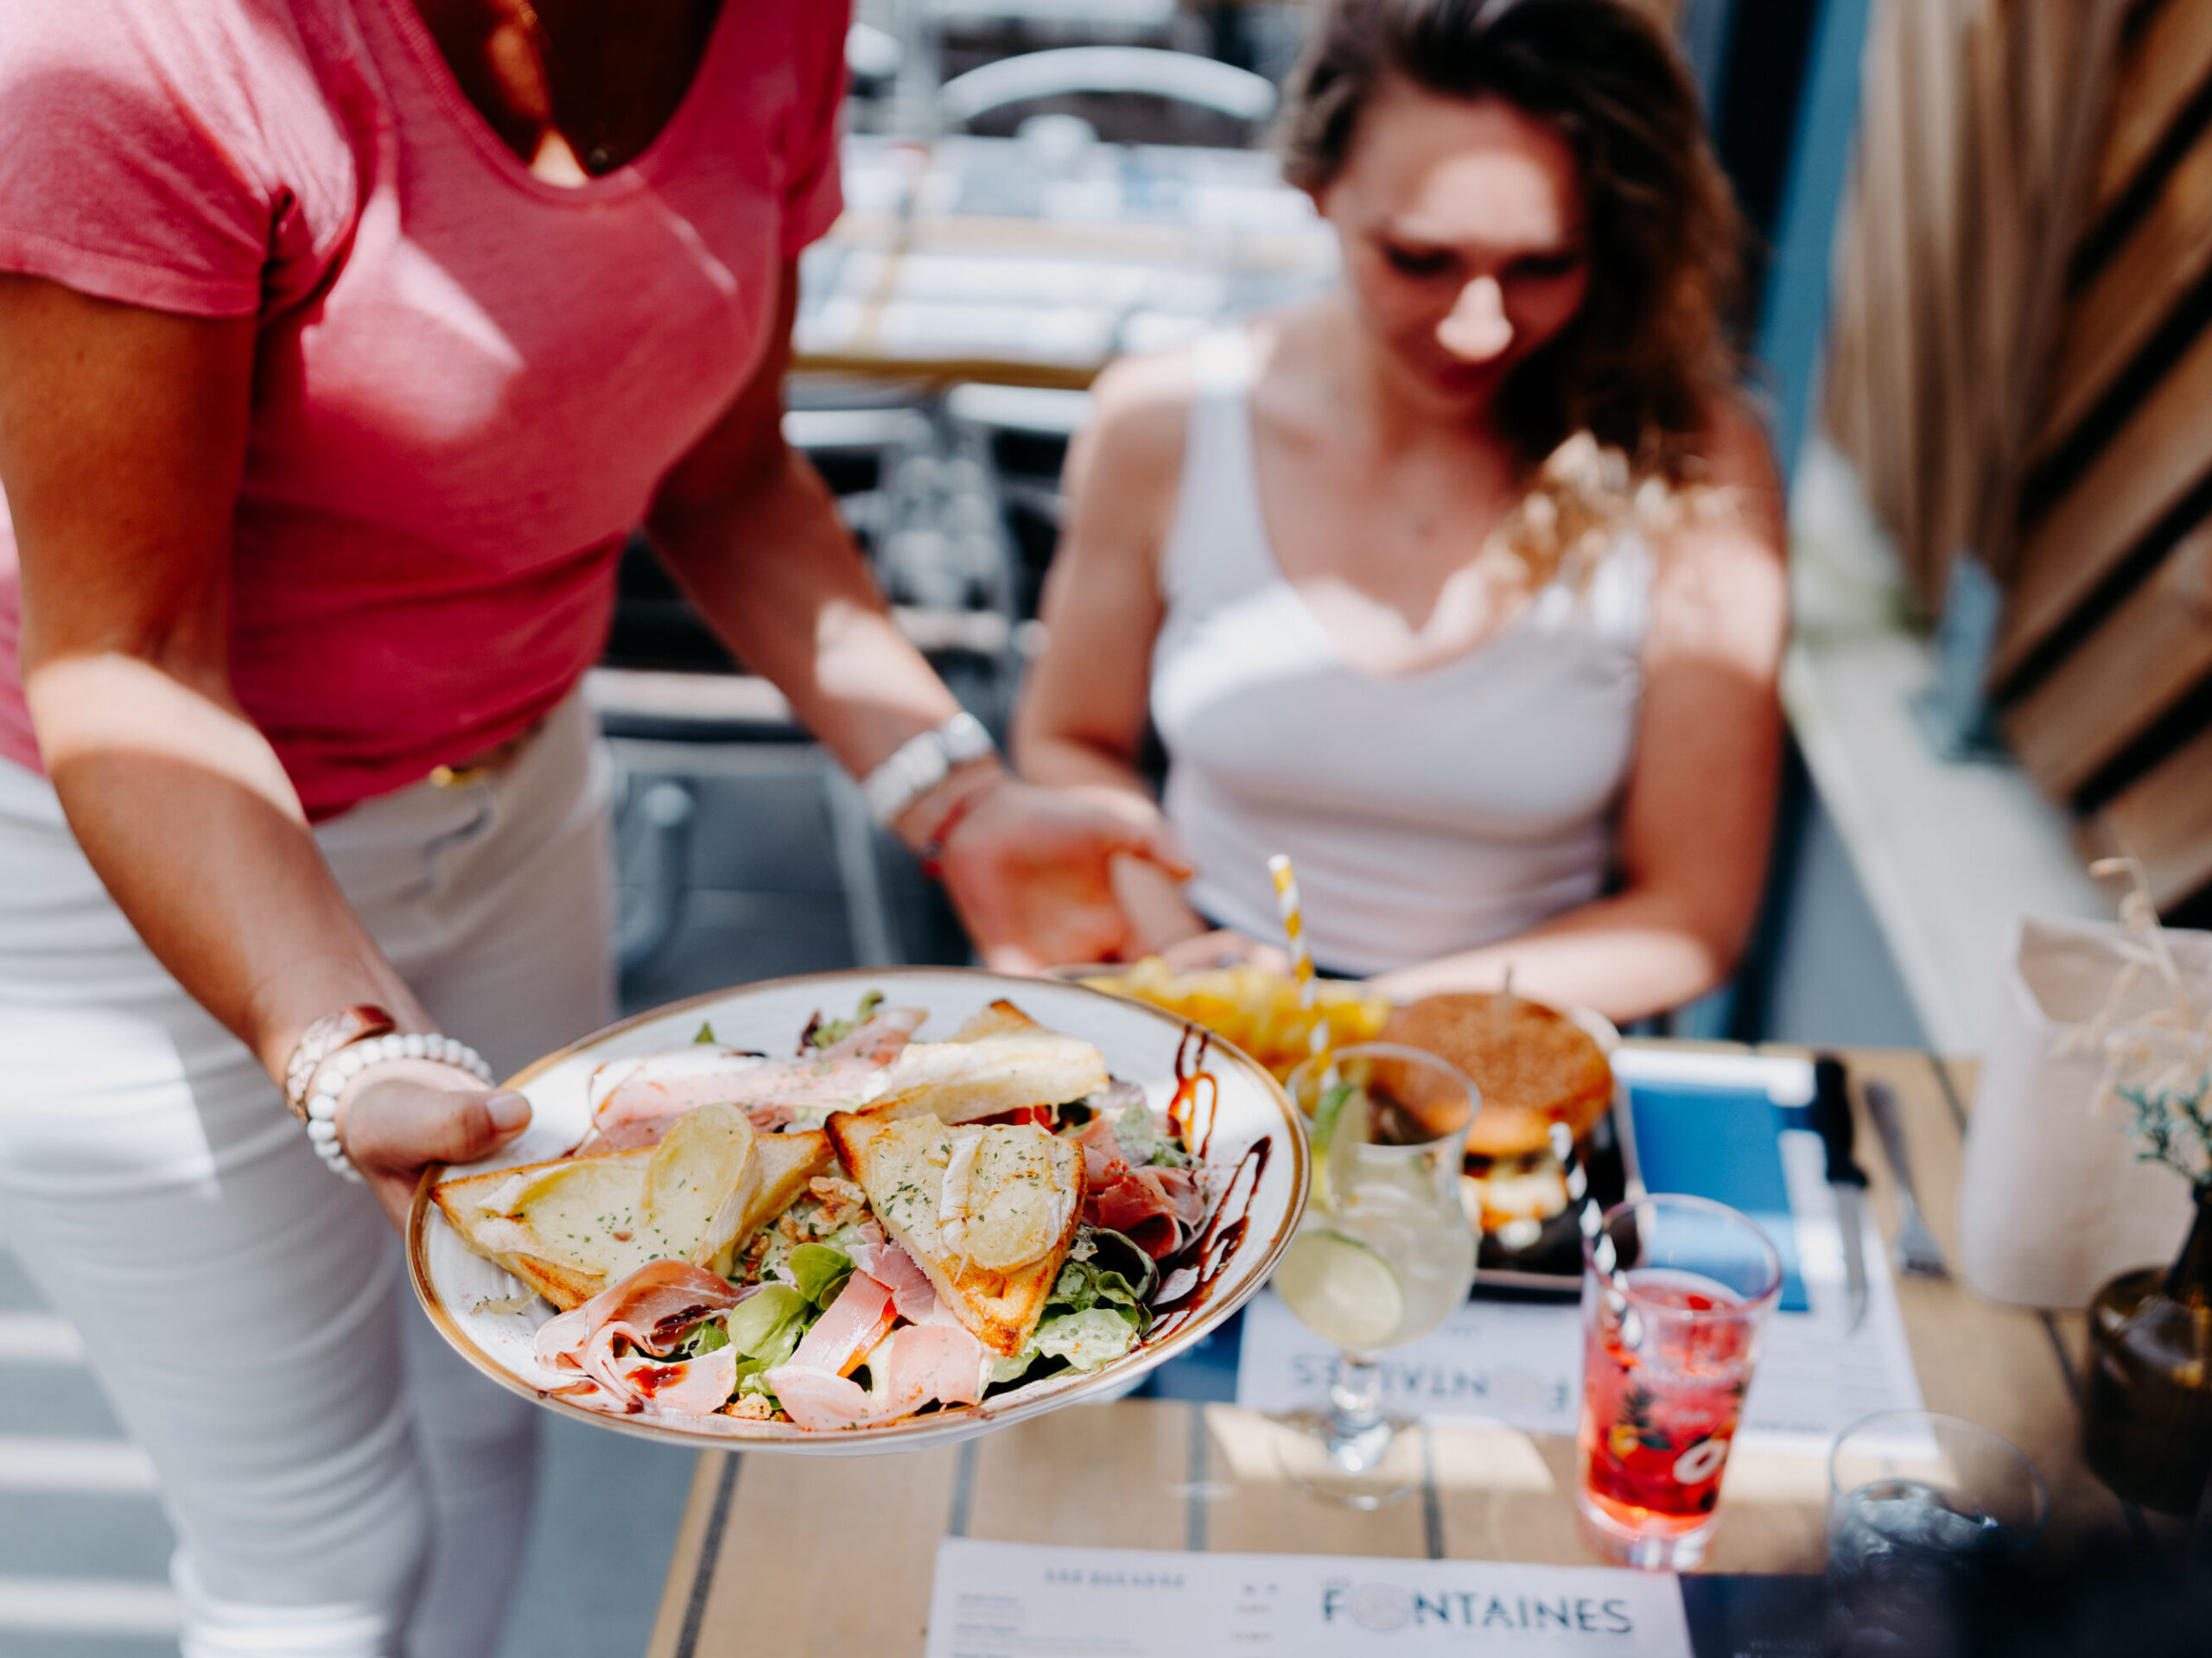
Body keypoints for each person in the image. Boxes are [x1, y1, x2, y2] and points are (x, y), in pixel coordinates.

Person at [0, 3, 1184, 1653]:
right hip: (130, 869)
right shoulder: (147, 57)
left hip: (518, 804)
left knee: (510, 1391)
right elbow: (127, 660)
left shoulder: (781, 21)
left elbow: (727, 477)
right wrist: (343, 1049)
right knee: (323, 1553)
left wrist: (956, 792)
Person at [1014, 0, 1788, 1025]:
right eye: (1420, 260)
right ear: (1315, 188)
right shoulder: (1164, 423)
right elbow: (1071, 738)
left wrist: (1353, 1026)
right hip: (1202, 997)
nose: (1477, 328)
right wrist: (1180, 950)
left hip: (1508, 1030)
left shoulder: (1693, 463)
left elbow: (1689, 911)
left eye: (1543, 265)